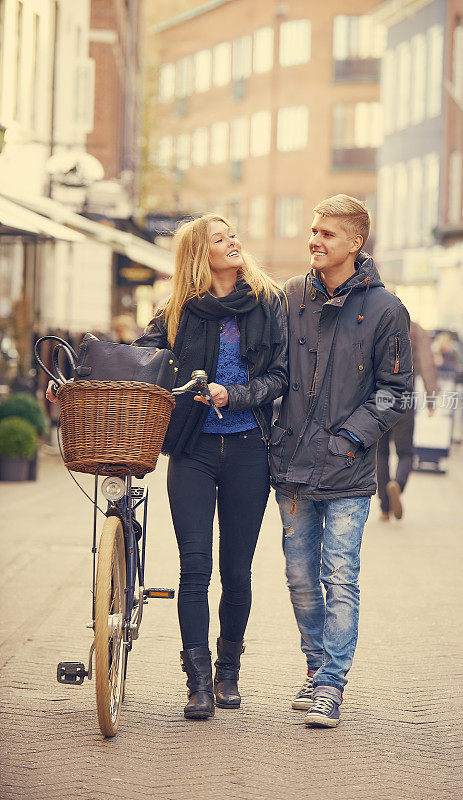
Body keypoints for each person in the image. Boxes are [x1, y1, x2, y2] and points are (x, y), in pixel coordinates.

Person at [48, 214, 288, 721]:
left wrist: (237, 394)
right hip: (193, 450)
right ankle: (197, 682)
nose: (234, 242)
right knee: (195, 569)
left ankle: (228, 673)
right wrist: (76, 383)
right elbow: (136, 363)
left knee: (237, 572)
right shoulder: (176, 312)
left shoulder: (268, 304)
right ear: (201, 253)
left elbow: (279, 376)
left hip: (250, 448)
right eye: (221, 239)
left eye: (234, 235)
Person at [269, 195, 412, 728]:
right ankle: (314, 669)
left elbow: (396, 392)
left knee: (340, 576)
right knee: (300, 578)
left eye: (327, 234)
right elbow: (274, 371)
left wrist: (349, 439)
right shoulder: (289, 298)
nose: (315, 240)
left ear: (355, 243)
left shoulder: (386, 310)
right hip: (291, 468)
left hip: (348, 468)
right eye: (313, 230)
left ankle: (331, 685)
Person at [377, 320, 439, 521]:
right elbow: (427, 364)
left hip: (378, 398)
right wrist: (431, 399)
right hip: (404, 395)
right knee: (405, 453)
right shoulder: (414, 328)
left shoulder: (372, 322)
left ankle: (385, 508)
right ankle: (398, 484)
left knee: (381, 454)